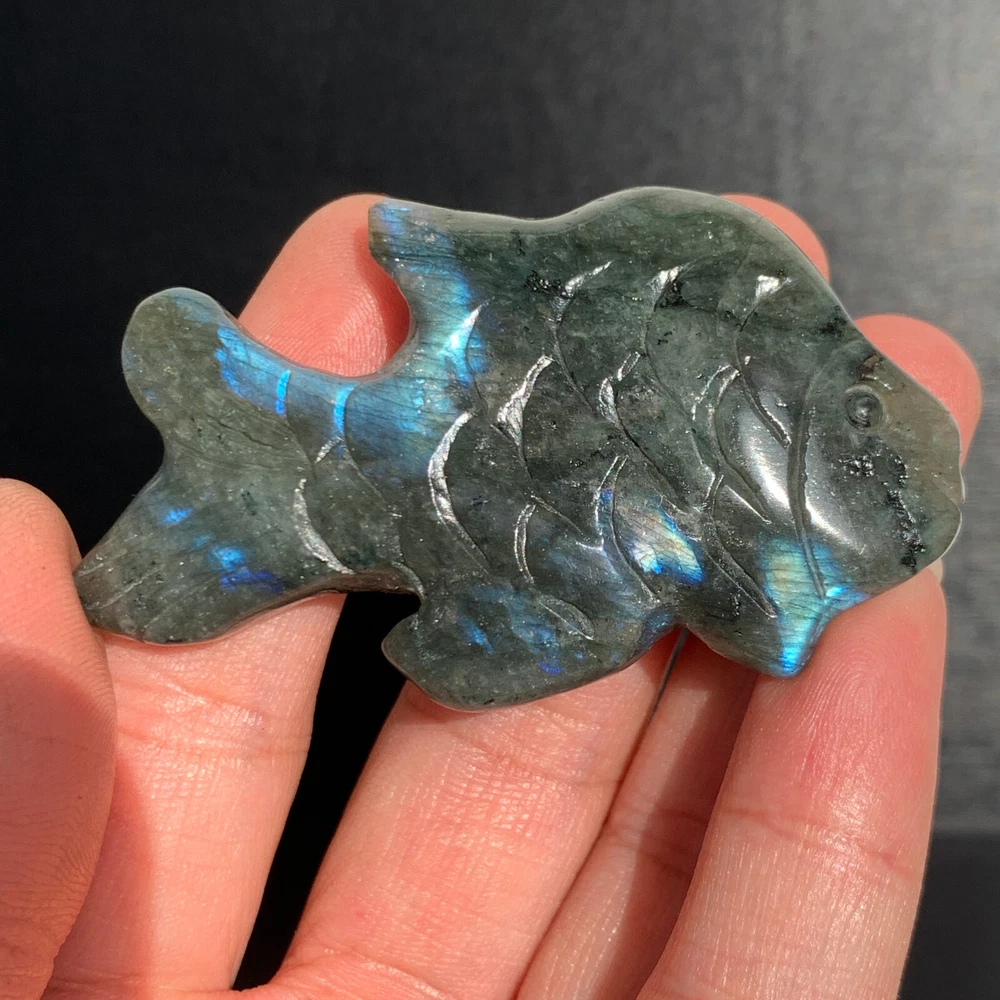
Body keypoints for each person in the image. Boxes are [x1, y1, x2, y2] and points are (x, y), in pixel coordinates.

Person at [0, 194, 981, 1000]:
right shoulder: (738, 304)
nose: (882, 466)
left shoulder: (762, 412)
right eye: (861, 411)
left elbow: (762, 624)